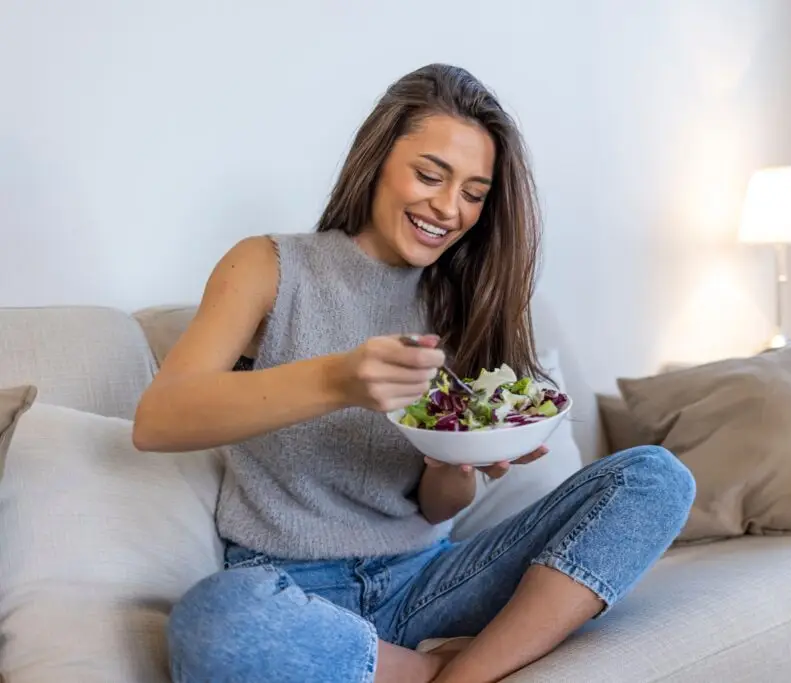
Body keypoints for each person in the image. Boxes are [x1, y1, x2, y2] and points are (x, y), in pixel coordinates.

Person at [134, 63, 696, 683]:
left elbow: (435, 509)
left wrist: (454, 461)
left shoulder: (462, 302)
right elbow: (160, 418)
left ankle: (466, 671)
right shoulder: (268, 267)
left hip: (428, 581)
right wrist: (339, 381)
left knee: (656, 477)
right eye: (430, 175)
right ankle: (427, 671)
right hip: (291, 593)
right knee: (214, 619)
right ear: (375, 160)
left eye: (475, 194)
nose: (449, 208)